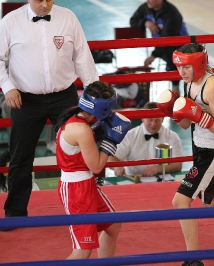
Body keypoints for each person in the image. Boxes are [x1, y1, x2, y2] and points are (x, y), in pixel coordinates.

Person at [0, 0, 99, 224]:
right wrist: (7, 86)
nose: (45, 4)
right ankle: (15, 214)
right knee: (20, 157)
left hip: (64, 96)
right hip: (25, 99)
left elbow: (82, 56)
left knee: (79, 151)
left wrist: (95, 93)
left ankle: (87, 207)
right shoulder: (11, 21)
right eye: (40, 0)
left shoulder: (68, 17)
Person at [157, 42, 214, 266]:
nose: (181, 72)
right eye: (179, 67)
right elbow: (186, 125)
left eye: (186, 67)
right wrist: (174, 112)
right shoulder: (189, 82)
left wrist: (198, 115)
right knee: (210, 199)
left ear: (199, 64)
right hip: (199, 145)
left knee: (180, 201)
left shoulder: (213, 87)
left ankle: (192, 259)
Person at [55, 81, 130, 259]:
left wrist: (100, 131)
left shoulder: (75, 119)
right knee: (83, 250)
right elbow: (96, 166)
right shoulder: (81, 129)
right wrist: (111, 141)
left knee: (113, 226)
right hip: (77, 191)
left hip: (85, 184)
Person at [109, 101, 182, 178]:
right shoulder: (130, 136)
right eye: (150, 120)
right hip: (134, 180)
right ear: (143, 118)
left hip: (163, 180)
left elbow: (177, 165)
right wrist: (116, 167)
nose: (153, 124)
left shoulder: (173, 137)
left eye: (157, 120)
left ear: (163, 119)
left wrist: (159, 168)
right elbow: (111, 157)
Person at [130, 0, 189, 93]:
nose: (147, 0)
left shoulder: (172, 13)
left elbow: (168, 39)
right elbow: (133, 20)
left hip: (179, 46)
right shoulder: (145, 7)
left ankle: (176, 87)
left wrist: (153, 55)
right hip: (161, 45)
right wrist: (145, 22)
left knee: (173, 59)